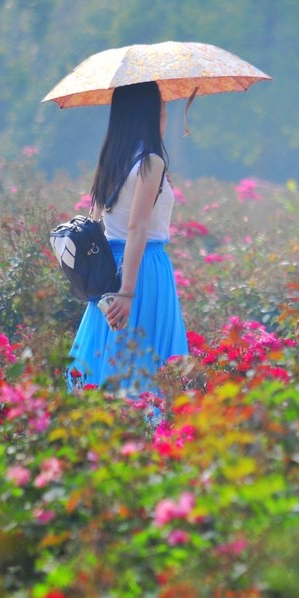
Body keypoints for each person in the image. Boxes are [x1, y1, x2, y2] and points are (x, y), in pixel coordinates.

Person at [67, 81, 188, 396]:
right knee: (145, 361)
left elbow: (103, 220)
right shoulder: (150, 161)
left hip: (110, 268)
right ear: (147, 115)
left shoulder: (114, 159)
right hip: (144, 268)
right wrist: (128, 292)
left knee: (109, 356)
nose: (165, 116)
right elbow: (138, 228)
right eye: (161, 110)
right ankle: (147, 431)